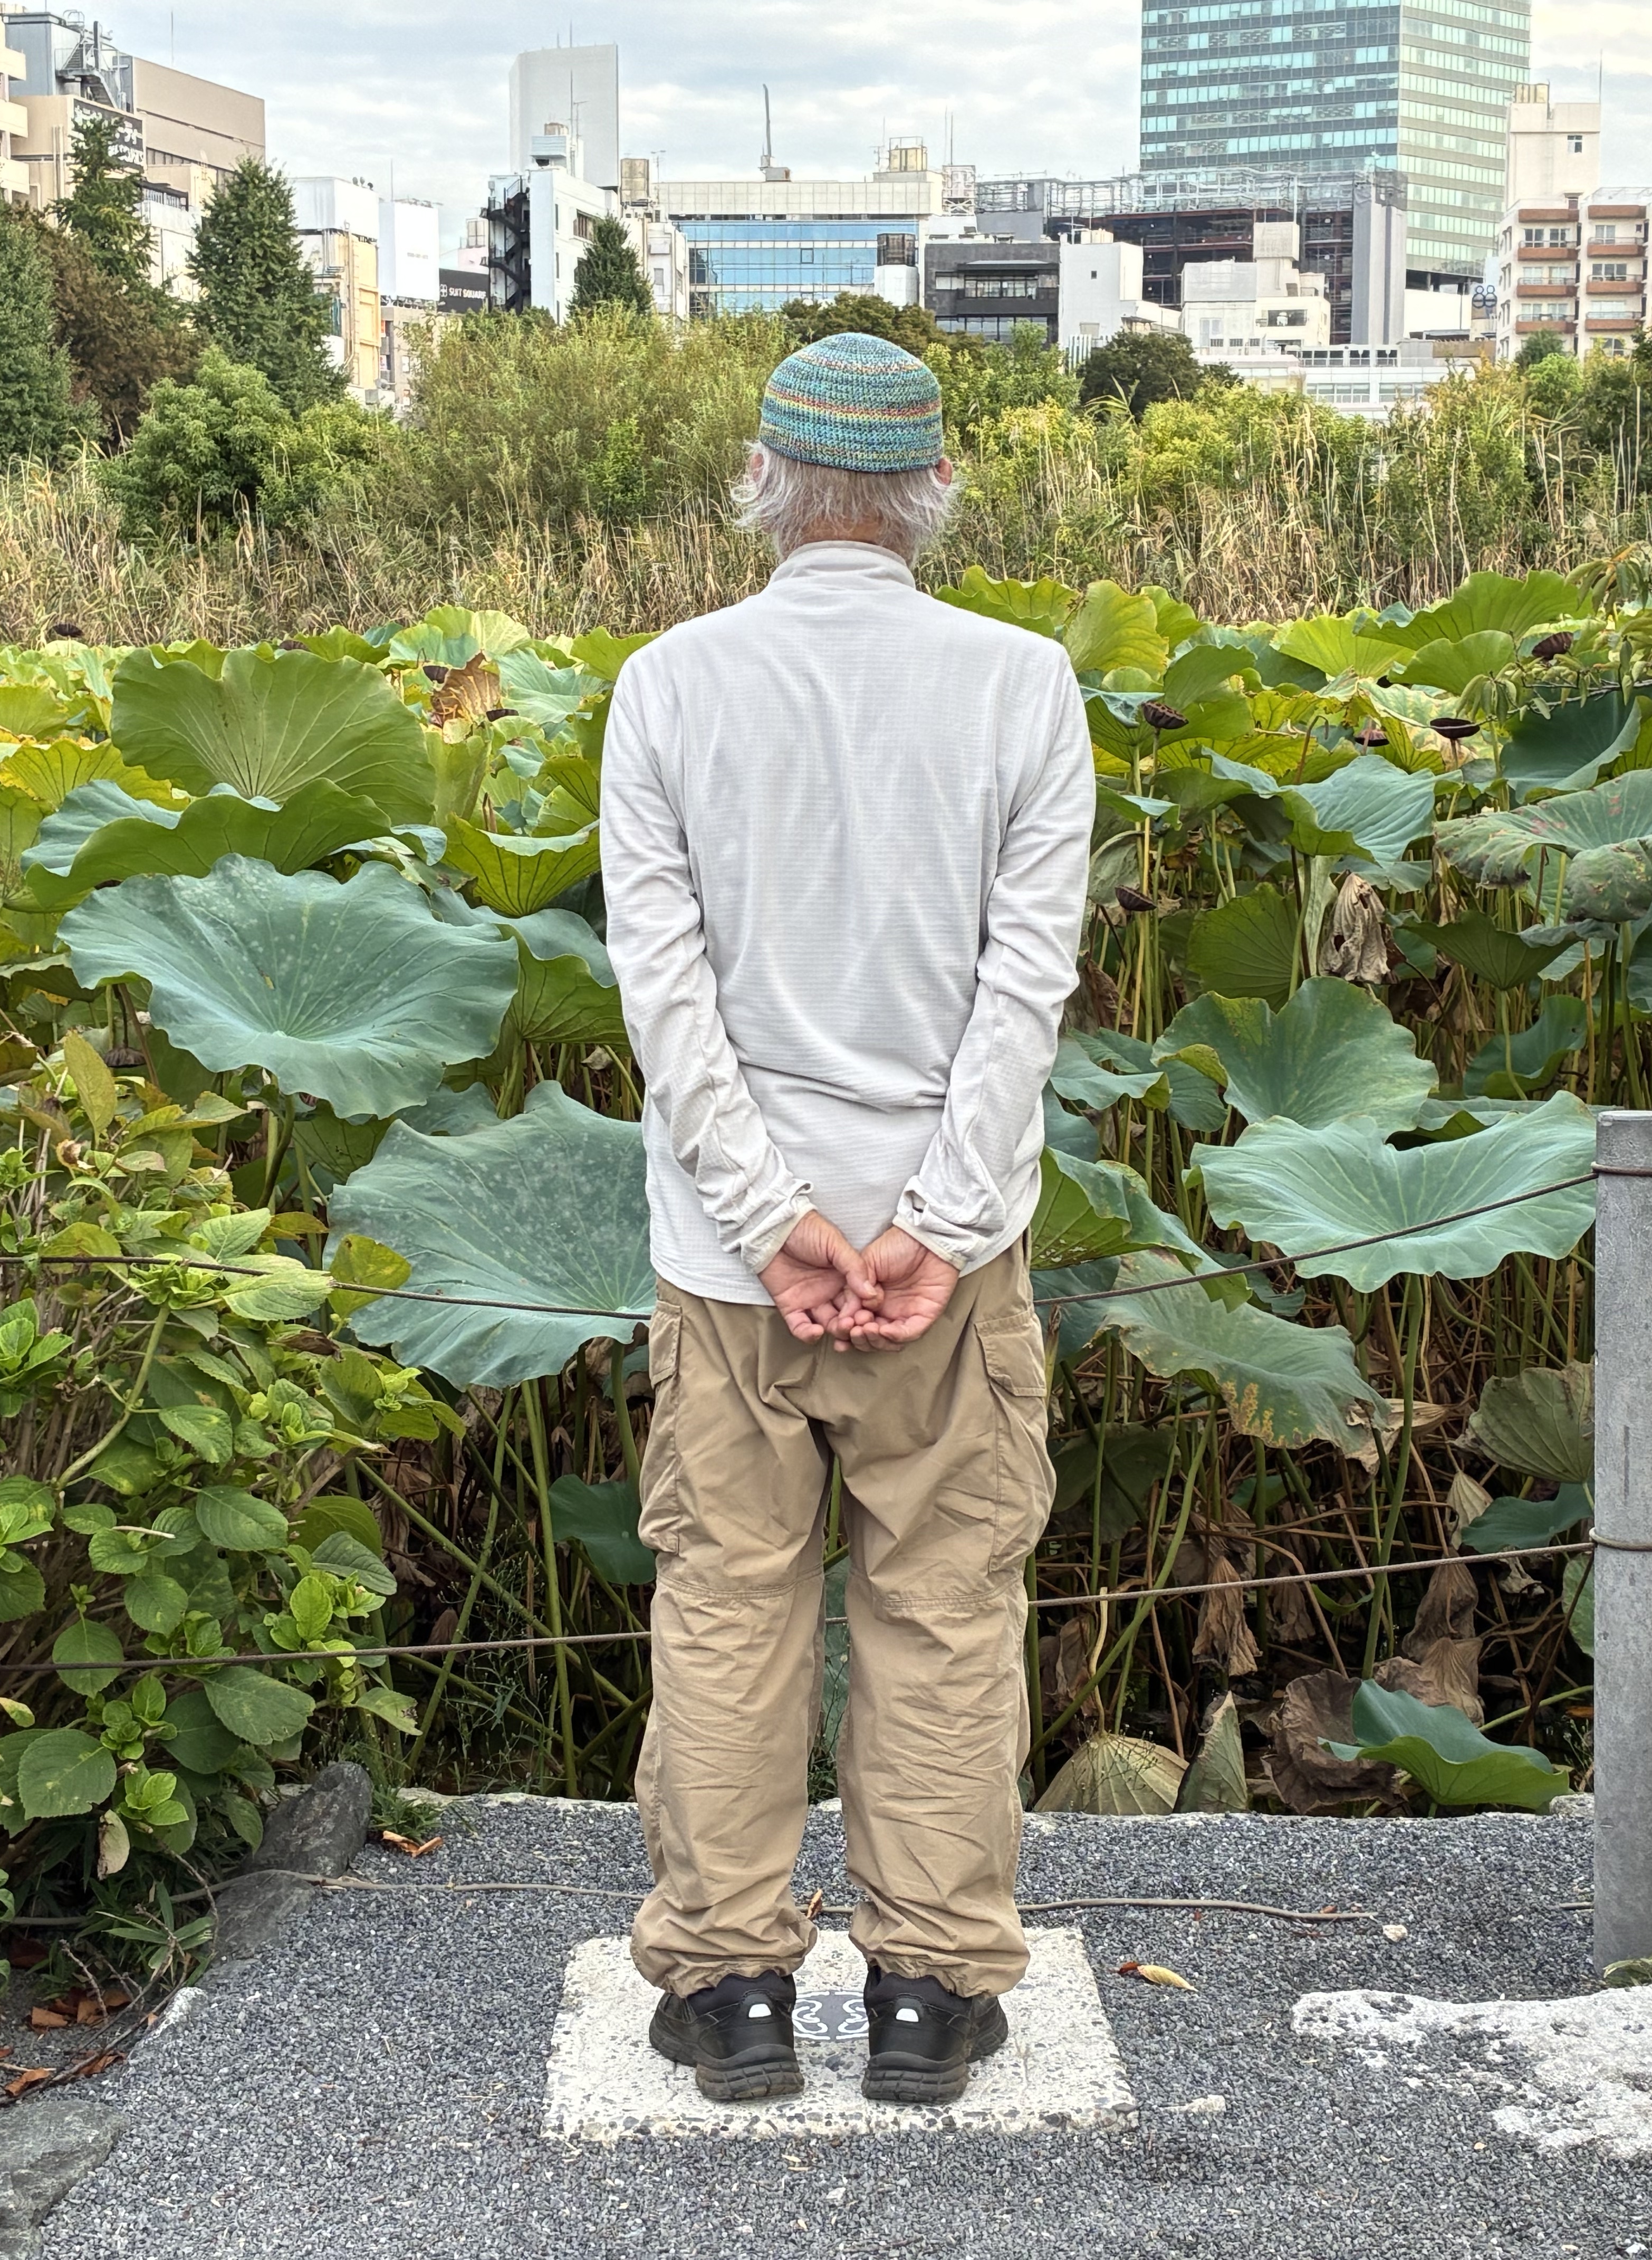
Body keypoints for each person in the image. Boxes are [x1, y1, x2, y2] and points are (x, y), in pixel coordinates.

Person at [598, 332, 1093, 2107]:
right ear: (933, 490)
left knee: (730, 1608)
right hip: (944, 1271)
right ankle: (928, 1998)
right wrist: (934, 1227)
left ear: (763, 481)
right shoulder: (1025, 684)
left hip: (731, 1267)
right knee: (943, 1606)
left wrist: (770, 1219)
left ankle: (733, 1990)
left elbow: (666, 996)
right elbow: (1024, 990)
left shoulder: (668, 686)